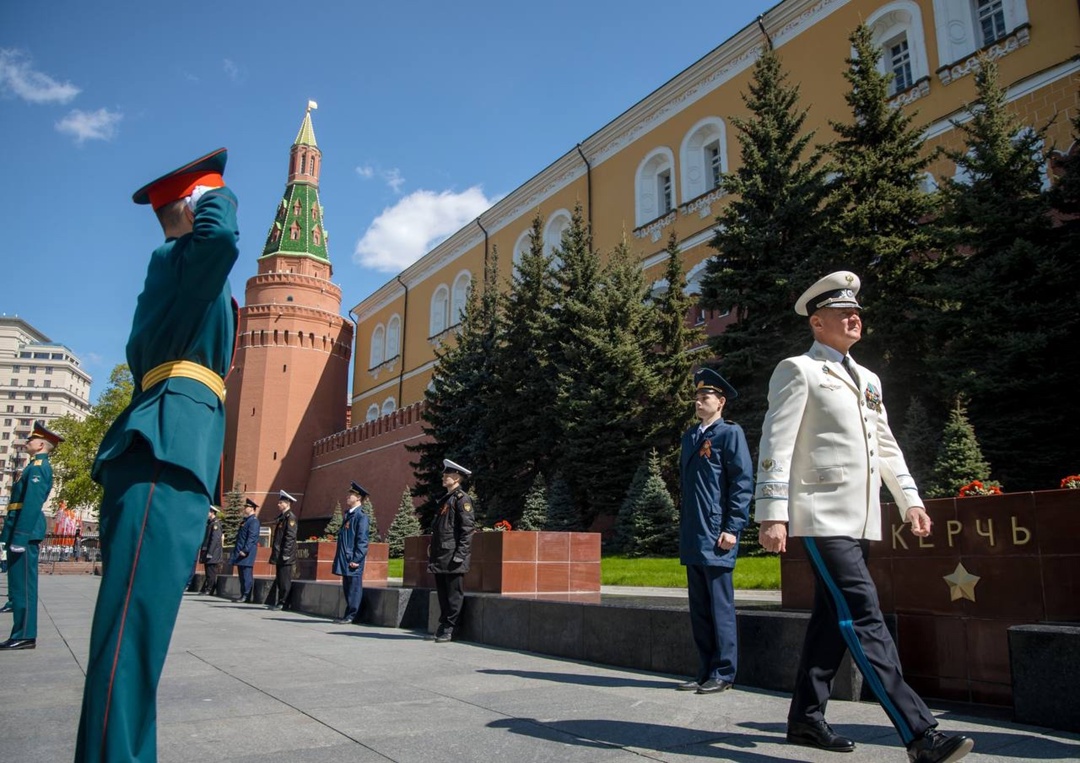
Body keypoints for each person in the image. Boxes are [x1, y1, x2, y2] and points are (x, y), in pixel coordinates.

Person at [755, 272, 974, 763]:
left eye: (857, 313)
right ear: (817, 322)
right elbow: (776, 443)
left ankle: (804, 720)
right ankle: (921, 734)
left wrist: (910, 499)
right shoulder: (798, 370)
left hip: (861, 518)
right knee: (863, 613)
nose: (855, 318)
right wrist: (772, 513)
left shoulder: (869, 378)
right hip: (819, 513)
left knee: (832, 621)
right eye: (843, 313)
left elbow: (886, 445)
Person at [74, 147, 240, 763]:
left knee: (141, 639)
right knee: (130, 639)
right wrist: (215, 197)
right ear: (191, 210)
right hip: (162, 450)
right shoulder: (177, 262)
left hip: (180, 453)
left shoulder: (189, 278)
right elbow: (220, 239)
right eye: (206, 197)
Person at [677, 369, 753, 693]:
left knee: (720, 605)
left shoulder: (729, 434)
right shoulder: (690, 437)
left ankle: (724, 672)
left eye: (705, 397)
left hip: (717, 532)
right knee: (699, 608)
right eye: (696, 397)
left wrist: (733, 527)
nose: (698, 401)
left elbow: (741, 483)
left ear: (720, 402)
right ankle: (705, 670)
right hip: (694, 532)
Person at [0, 421, 63, 650]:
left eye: (30, 439)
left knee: (23, 586)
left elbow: (31, 504)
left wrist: (20, 536)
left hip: (25, 534)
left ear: (40, 445)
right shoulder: (32, 467)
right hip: (19, 531)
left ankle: (25, 633)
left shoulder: (38, 469)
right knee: (17, 585)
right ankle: (21, 632)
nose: (27, 442)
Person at [428, 459, 475, 643]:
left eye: (446, 475)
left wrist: (460, 555)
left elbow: (467, 530)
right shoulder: (446, 499)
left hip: (453, 556)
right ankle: (444, 624)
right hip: (441, 555)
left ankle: (450, 627)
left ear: (455, 478)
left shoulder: (462, 499)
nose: (443, 477)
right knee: (442, 592)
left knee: (454, 594)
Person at [332, 482, 370, 624]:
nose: (347, 497)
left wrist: (357, 559)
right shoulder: (349, 515)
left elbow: (362, 540)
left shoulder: (361, 517)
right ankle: (348, 613)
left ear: (358, 498)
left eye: (351, 495)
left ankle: (352, 615)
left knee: (354, 588)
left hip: (353, 559)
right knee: (347, 587)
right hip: (346, 558)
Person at [265, 490, 298, 610]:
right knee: (280, 579)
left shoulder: (290, 518)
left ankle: (284, 602)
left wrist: (285, 554)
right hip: (279, 554)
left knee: (285, 580)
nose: (278, 505)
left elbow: (290, 537)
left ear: (287, 503)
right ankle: (280, 601)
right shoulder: (282, 517)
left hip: (286, 555)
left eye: (281, 502)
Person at [231, 499, 261, 603]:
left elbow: (252, 538)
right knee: (242, 576)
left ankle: (246, 595)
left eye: (246, 507)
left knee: (246, 574)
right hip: (240, 552)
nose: (244, 509)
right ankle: (243, 594)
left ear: (252, 509)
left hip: (247, 553)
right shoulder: (246, 520)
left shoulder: (254, 521)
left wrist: (245, 550)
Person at [199, 506, 224, 595]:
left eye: (208, 512)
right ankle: (208, 587)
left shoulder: (215, 524)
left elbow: (214, 540)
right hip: (208, 551)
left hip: (213, 552)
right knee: (208, 571)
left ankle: (210, 589)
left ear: (212, 512)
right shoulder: (210, 523)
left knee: (211, 572)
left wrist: (210, 552)